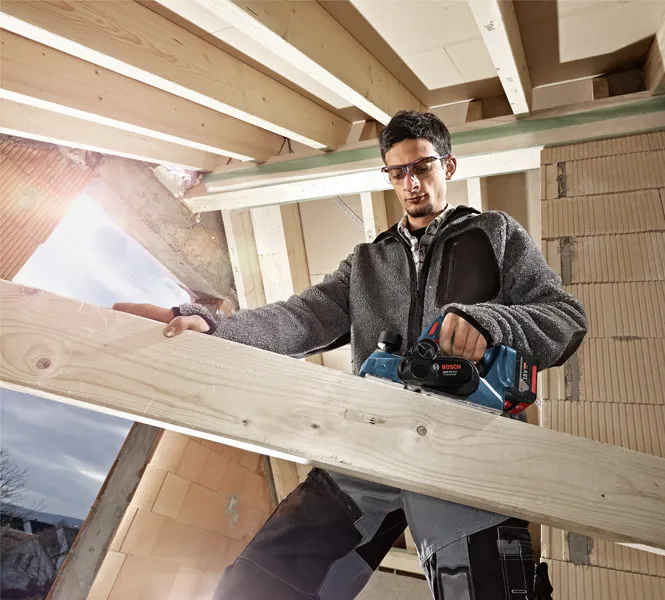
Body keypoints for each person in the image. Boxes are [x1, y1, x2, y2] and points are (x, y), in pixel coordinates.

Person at [114, 110, 587, 599]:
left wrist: (490, 323)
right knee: (256, 585)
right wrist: (212, 327)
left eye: (422, 167)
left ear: (448, 166)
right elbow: (300, 319)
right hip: (370, 441)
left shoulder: (496, 233)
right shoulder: (365, 262)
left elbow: (564, 319)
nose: (411, 184)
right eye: (397, 172)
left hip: (465, 448)